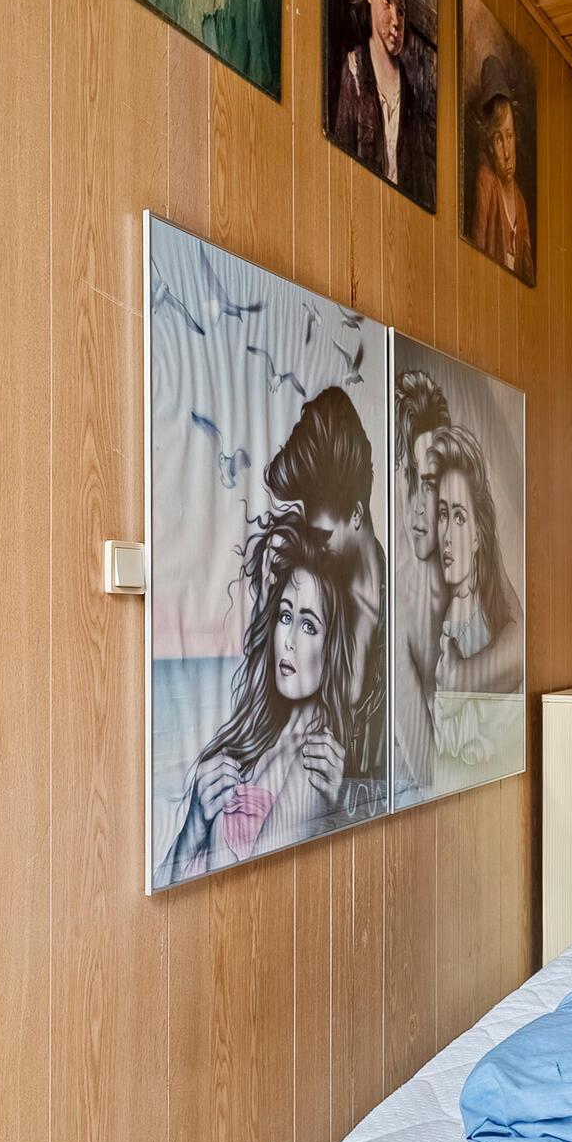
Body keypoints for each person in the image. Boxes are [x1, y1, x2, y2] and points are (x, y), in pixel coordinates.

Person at [155, 511, 356, 888]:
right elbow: (161, 882)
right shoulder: (258, 737)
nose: (289, 639)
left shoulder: (313, 764)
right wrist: (195, 821)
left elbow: (260, 890)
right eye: (285, 616)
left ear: (330, 650)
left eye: (309, 625)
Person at [264, 388, 387, 787]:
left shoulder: (406, 609)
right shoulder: (305, 598)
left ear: (357, 514)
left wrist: (344, 794)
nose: (313, 548)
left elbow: (418, 771)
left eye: (322, 535)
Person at [428, 423, 522, 697]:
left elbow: (520, 647)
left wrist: (460, 679)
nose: (447, 535)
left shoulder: (489, 610)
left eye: (459, 517)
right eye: (443, 514)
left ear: (477, 536)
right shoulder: (449, 613)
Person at [330, 0, 436, 210]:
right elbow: (338, 165)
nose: (396, 21)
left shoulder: (410, 97)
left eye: (401, 10)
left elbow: (421, 187)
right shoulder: (355, 69)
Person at [392, 370, 451, 795]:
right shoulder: (394, 613)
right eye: (408, 477)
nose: (416, 505)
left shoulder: (467, 580)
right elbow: (432, 777)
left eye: (428, 484)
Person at [467, 55, 534, 283]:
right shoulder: (485, 182)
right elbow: (475, 256)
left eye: (509, 136)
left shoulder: (520, 203)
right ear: (489, 144)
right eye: (499, 140)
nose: (507, 152)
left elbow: (528, 273)